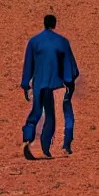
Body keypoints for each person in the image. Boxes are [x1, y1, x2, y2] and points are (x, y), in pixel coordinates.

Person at [21, 14, 80, 159]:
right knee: (55, 116)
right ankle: (51, 147)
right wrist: (69, 83)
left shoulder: (34, 42)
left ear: (44, 23)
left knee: (36, 112)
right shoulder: (62, 42)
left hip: (39, 84)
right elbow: (70, 67)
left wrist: (25, 85)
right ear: (54, 24)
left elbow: (28, 65)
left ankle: (28, 139)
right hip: (56, 84)